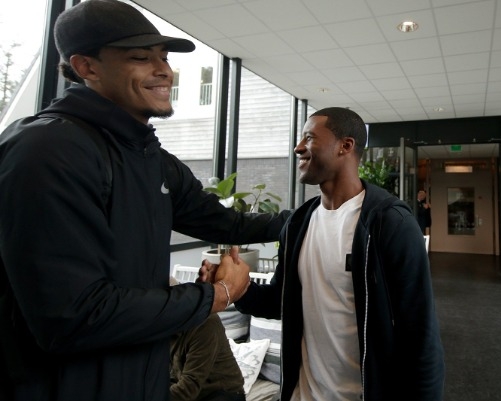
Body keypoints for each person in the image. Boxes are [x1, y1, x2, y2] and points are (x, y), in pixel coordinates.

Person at [0, 1, 287, 400]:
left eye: (164, 57)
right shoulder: (48, 150)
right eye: (140, 57)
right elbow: (74, 316)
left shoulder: (150, 159)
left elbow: (225, 223)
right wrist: (218, 296)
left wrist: (317, 214)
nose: (164, 70)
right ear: (86, 67)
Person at [203, 107, 445, 400]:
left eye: (309, 138)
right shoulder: (298, 224)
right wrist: (235, 287)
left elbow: (420, 335)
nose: (298, 148)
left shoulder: (390, 223)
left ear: (345, 146)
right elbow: (279, 301)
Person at [169, 278, 245, 401]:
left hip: (223, 393)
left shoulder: (205, 323)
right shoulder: (161, 328)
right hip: (192, 393)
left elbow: (189, 387)